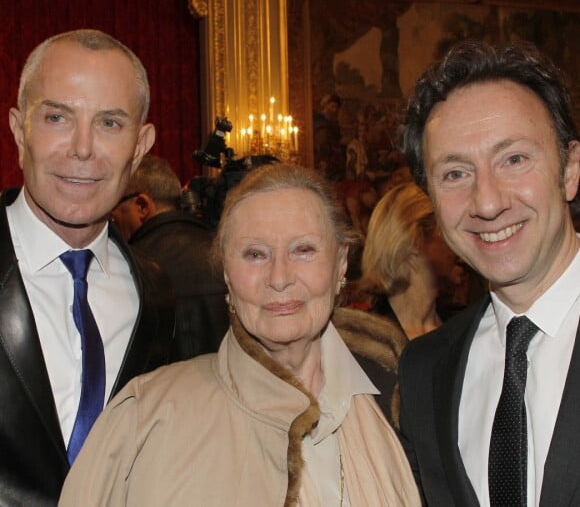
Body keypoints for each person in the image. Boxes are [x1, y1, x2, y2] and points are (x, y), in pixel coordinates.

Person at [59, 163, 421, 506]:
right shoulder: (146, 419)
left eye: (304, 250)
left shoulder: (403, 401)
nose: (280, 277)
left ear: (341, 262)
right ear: (227, 274)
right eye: (255, 254)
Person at [397, 40, 580, 506]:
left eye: (514, 160)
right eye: (455, 174)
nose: (488, 202)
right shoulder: (425, 370)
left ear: (570, 170)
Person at [1, 29, 175, 506]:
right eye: (57, 117)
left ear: (140, 146)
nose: (82, 148)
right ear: (19, 131)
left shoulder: (160, 296)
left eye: (109, 124)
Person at [111, 154, 229, 359]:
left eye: (114, 213)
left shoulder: (129, 268)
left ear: (142, 205)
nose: (111, 221)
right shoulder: (226, 252)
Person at [357, 181, 464, 340]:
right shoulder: (368, 341)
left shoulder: (461, 331)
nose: (457, 242)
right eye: (444, 230)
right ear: (415, 241)